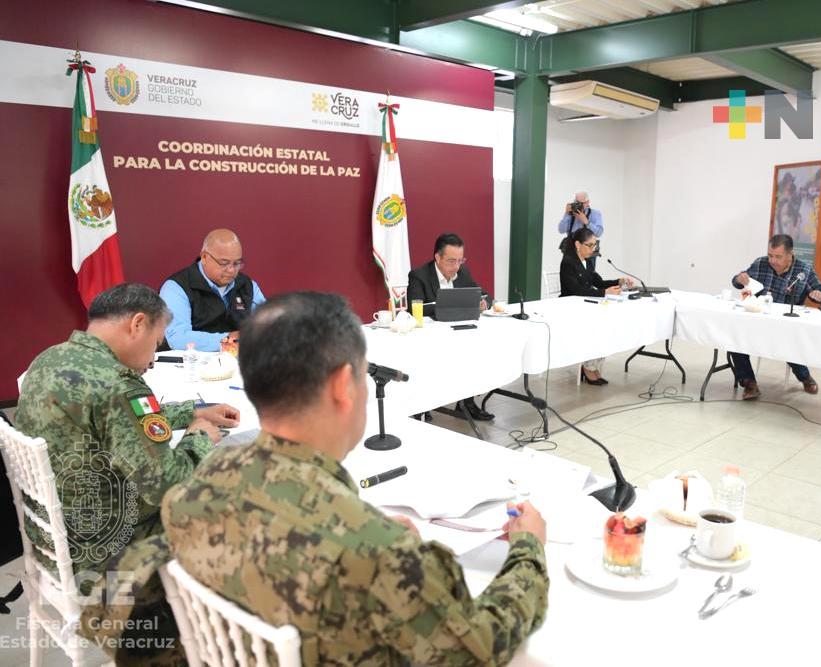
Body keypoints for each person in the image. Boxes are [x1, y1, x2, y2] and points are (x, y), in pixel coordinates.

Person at [160, 292, 550, 665]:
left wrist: (378, 536)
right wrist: (528, 549)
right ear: (342, 385)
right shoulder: (378, 553)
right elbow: (479, 648)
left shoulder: (194, 487)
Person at [15, 283, 239, 592]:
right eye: (156, 342)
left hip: (54, 537)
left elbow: (116, 419)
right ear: (137, 324)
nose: (153, 356)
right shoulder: (119, 385)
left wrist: (191, 411)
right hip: (105, 552)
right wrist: (198, 437)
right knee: (232, 503)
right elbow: (165, 485)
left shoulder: (50, 359)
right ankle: (206, 612)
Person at [730, 234, 821, 399]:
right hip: (759, 321)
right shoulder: (760, 263)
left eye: (778, 257)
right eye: (770, 255)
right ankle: (749, 383)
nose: (772, 260)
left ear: (790, 254)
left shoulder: (803, 270)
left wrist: (820, 296)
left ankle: (805, 377)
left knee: (789, 342)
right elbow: (737, 282)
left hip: (787, 325)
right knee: (734, 337)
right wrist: (739, 278)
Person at [407, 232, 494, 420]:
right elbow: (415, 309)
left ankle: (466, 403)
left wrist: (483, 302)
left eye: (460, 261)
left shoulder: (462, 272)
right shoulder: (419, 275)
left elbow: (486, 295)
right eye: (451, 261)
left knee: (478, 349)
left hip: (458, 334)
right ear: (437, 257)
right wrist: (450, 304)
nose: (456, 267)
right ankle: (422, 406)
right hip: (430, 340)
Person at [160, 228, 265, 351]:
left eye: (237, 263)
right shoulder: (176, 287)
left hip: (238, 359)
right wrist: (229, 339)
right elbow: (177, 338)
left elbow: (267, 324)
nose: (231, 270)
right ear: (204, 257)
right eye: (224, 263)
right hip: (192, 361)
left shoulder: (247, 285)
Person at [560, 227, 631, 385]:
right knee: (596, 326)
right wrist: (604, 292)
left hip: (585, 305)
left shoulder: (588, 262)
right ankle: (588, 366)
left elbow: (598, 282)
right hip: (570, 307)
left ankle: (592, 365)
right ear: (578, 245)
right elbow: (576, 291)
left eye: (595, 245)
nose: (593, 249)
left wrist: (619, 282)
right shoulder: (568, 262)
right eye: (590, 245)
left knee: (606, 325)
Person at [559, 191, 603, 273]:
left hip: (588, 249)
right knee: (569, 274)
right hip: (571, 248)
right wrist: (567, 213)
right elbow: (561, 230)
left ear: (587, 202)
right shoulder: (570, 214)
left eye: (580, 203)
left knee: (588, 275)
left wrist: (586, 222)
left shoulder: (595, 214)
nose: (578, 205)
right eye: (576, 202)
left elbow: (599, 233)